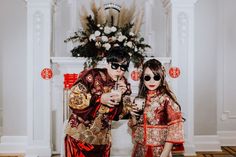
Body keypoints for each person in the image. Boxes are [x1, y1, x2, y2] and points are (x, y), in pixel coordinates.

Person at [64, 47, 132, 157]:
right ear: (107, 63)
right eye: (115, 65)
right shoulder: (92, 75)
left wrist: (121, 98)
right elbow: (73, 98)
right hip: (79, 137)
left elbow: (120, 115)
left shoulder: (124, 84)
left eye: (123, 67)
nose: (119, 70)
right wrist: (99, 98)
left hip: (102, 141)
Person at [129, 59, 184, 157]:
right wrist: (133, 116)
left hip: (160, 151)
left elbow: (174, 129)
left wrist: (165, 154)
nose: (152, 81)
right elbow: (135, 131)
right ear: (142, 78)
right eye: (147, 77)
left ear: (161, 78)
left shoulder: (166, 100)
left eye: (156, 77)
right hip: (140, 150)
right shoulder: (140, 99)